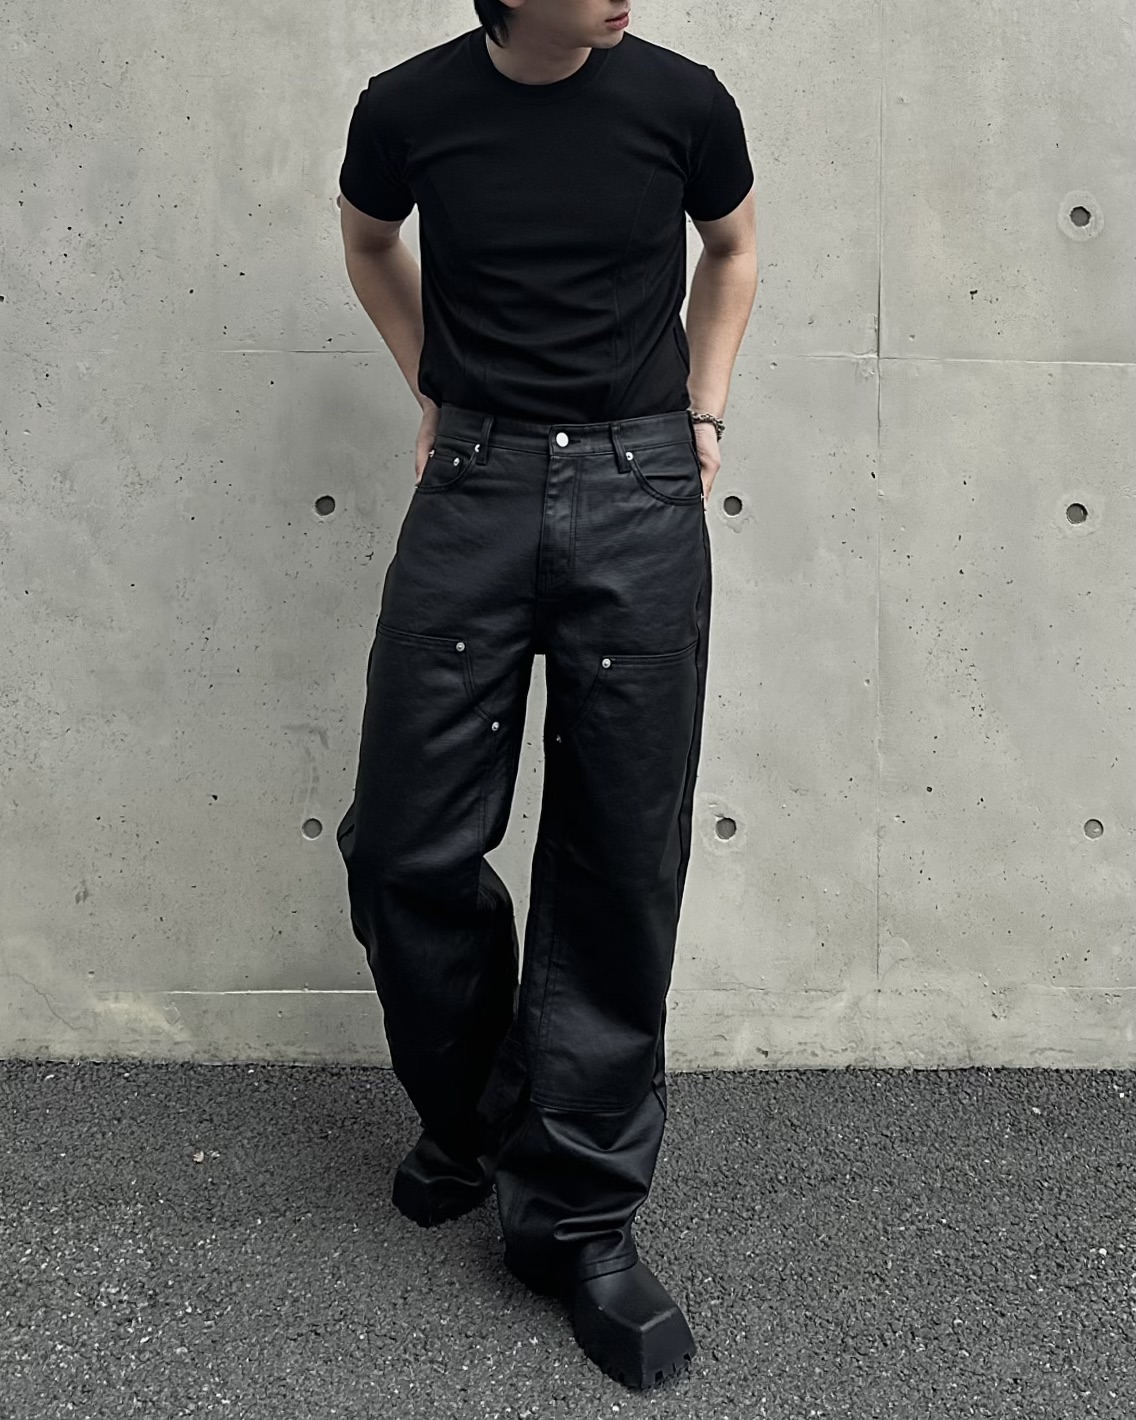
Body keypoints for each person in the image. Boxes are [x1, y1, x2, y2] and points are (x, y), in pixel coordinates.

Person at [333, 0, 757, 1391]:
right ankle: (482, 1114)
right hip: (476, 485)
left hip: (639, 489)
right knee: (404, 846)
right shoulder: (409, 105)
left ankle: (580, 1214)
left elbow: (734, 249)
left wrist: (704, 409)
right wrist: (433, 382)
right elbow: (368, 242)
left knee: (617, 855)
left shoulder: (681, 99)